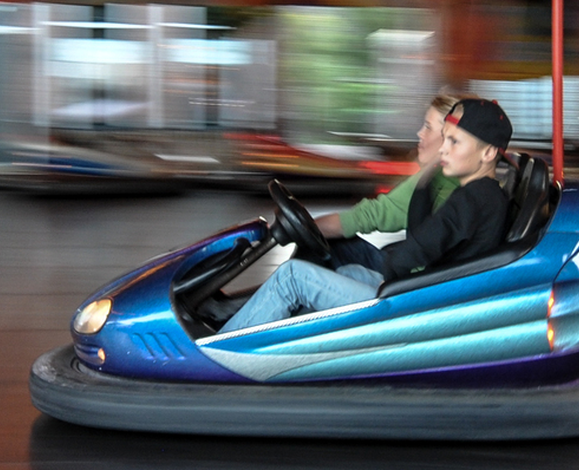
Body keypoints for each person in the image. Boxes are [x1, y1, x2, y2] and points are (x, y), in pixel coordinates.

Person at [218, 98, 515, 334]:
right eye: (445, 139)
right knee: (345, 272)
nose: (444, 150)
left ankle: (216, 352)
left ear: (488, 153)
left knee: (292, 277)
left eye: (454, 142)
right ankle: (274, 344)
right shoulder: (482, 194)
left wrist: (394, 278)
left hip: (416, 306)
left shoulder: (474, 198)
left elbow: (413, 251)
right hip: (422, 294)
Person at [312, 91, 471, 247]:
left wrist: (310, 229)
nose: (420, 133)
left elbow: (368, 216)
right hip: (427, 266)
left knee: (295, 270)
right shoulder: (469, 179)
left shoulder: (435, 181)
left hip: (420, 272)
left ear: (450, 136)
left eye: (428, 127)